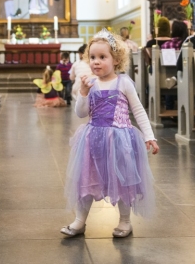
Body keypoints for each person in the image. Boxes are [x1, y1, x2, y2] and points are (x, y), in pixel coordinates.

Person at [60, 28, 159, 238]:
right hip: (92, 139)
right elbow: (80, 113)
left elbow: (138, 110)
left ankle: (124, 221)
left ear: (116, 60)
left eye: (102, 57)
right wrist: (83, 94)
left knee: (122, 180)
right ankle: (79, 220)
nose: (96, 61)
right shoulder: (89, 83)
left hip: (120, 140)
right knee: (86, 179)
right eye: (92, 57)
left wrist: (149, 135)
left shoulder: (123, 82)